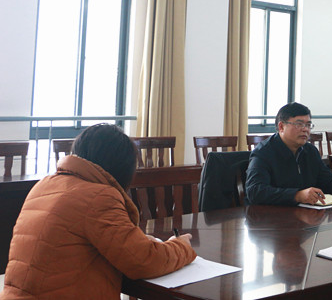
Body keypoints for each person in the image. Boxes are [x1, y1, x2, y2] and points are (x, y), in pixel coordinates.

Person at [1, 124, 196, 300]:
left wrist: (138, 240)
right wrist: (181, 246)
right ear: (123, 169)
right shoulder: (99, 196)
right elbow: (144, 261)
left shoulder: (45, 184)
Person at [246, 102, 332, 205]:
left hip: (305, 213)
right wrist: (296, 195)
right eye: (299, 124)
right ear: (281, 127)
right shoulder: (263, 152)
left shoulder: (310, 151)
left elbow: (326, 179)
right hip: (270, 216)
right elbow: (255, 191)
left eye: (308, 125)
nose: (305, 129)